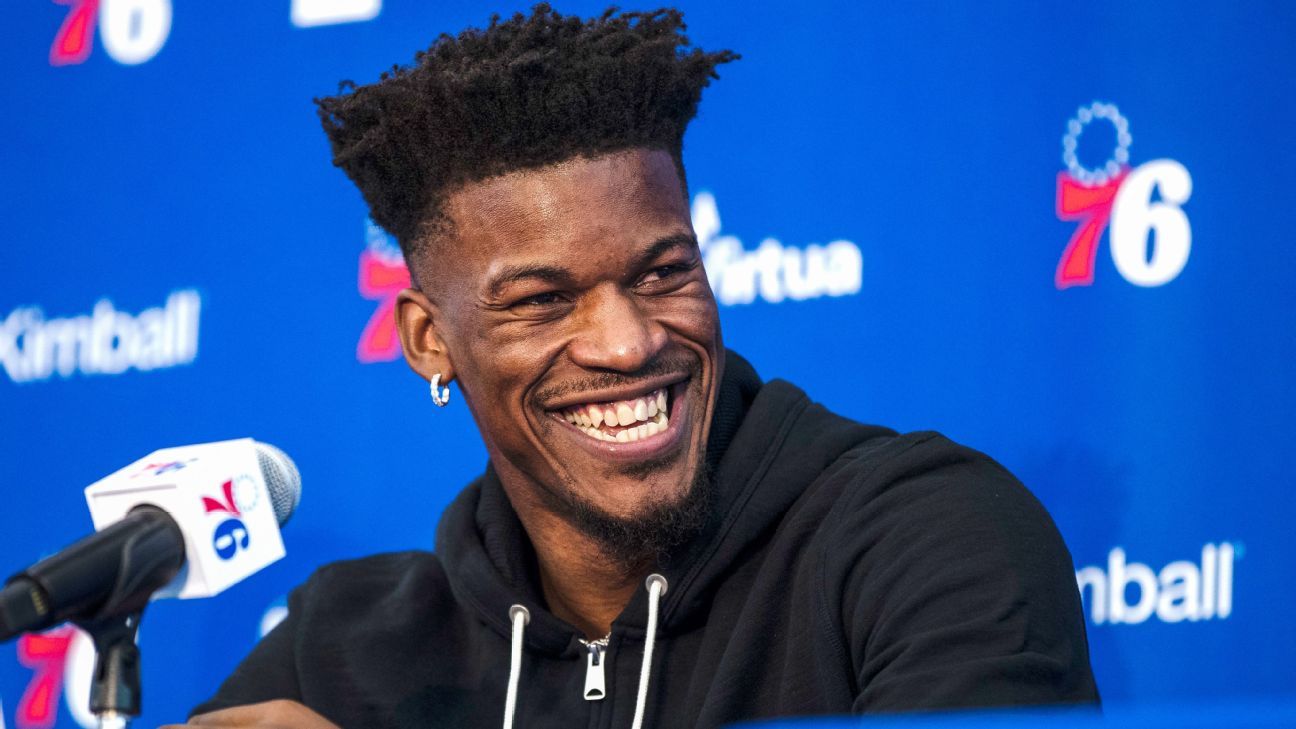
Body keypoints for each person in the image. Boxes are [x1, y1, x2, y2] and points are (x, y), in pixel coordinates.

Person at [177, 5, 1098, 727]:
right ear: (428, 340)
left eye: (663, 274)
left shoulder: (927, 538)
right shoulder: (339, 648)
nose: (628, 343)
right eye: (541, 299)